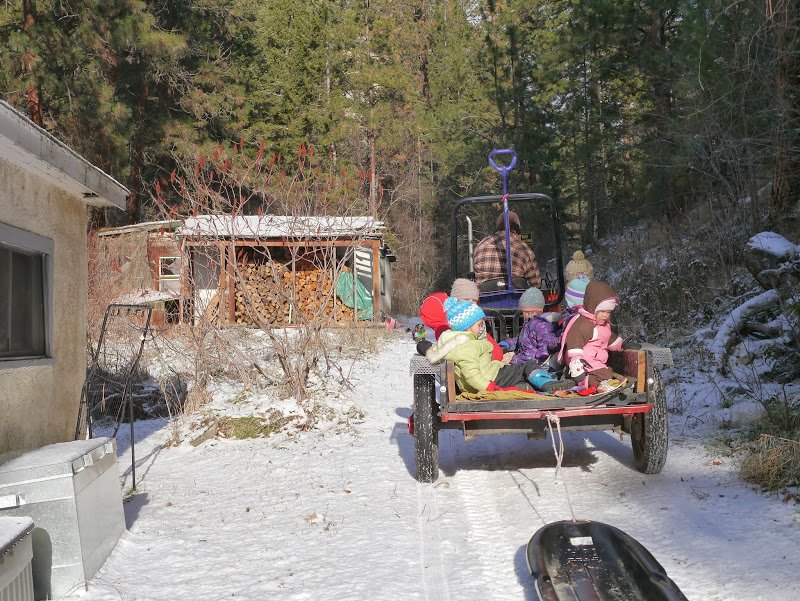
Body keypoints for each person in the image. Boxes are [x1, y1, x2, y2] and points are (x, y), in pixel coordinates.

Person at [426, 298, 573, 394]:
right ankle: (549, 384)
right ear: (468, 327)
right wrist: (488, 387)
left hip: (492, 375)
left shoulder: (462, 341)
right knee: (528, 366)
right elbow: (470, 374)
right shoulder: (465, 346)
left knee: (521, 377)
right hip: (492, 377)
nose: (482, 327)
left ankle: (527, 387)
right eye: (479, 324)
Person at [418, 278, 507, 361]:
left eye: (474, 300)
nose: (471, 303)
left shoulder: (478, 324)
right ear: (455, 301)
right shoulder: (447, 327)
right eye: (466, 299)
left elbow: (497, 354)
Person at [560, 280, 624, 388]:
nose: (605, 315)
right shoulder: (584, 323)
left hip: (597, 362)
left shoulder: (604, 325)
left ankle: (608, 382)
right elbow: (575, 342)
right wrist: (576, 365)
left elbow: (609, 338)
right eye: (602, 311)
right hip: (584, 364)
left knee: (607, 372)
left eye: (608, 312)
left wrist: (621, 344)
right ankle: (586, 382)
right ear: (593, 308)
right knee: (602, 374)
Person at [473, 211, 540, 291]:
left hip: (485, 301)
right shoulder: (523, 248)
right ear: (517, 231)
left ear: (498, 228)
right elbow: (536, 284)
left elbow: (476, 278)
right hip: (517, 301)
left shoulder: (481, 245)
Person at [499, 288, 561, 369]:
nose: (523, 314)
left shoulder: (541, 325)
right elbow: (524, 339)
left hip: (530, 365)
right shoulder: (529, 323)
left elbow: (544, 347)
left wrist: (539, 362)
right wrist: (508, 343)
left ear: (528, 311)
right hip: (522, 360)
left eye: (523, 312)